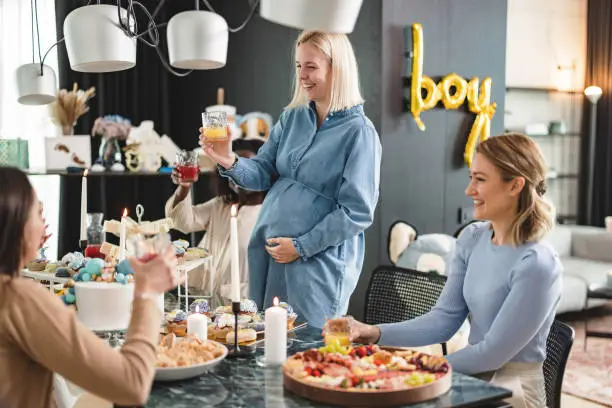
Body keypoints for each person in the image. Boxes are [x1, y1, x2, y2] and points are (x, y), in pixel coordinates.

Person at [326, 133, 562, 408]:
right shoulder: (472, 238)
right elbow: (444, 320)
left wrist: (409, 367)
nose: (469, 189)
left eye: (480, 179)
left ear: (515, 186)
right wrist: (373, 332)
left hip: (513, 395)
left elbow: (492, 354)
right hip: (467, 380)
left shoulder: (538, 264)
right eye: (471, 177)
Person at [200, 30, 382, 328]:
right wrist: (228, 160)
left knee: (304, 350)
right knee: (264, 340)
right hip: (269, 253)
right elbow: (261, 173)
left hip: (316, 263)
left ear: (338, 68)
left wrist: (301, 246)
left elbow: (357, 212)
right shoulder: (292, 118)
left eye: (311, 67)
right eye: (298, 66)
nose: (302, 75)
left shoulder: (359, 133)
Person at [0, 167, 180, 407]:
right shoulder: (18, 298)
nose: (44, 222)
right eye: (37, 212)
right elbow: (131, 385)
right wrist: (147, 292)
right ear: (15, 224)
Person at [165, 138, 266, 302]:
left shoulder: (270, 215)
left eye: (247, 167)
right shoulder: (221, 205)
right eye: (233, 167)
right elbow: (180, 222)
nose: (239, 174)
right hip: (201, 297)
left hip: (239, 304)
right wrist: (184, 187)